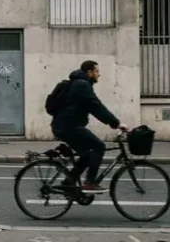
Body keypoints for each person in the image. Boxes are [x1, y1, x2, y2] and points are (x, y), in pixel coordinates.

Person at [51, 61, 127, 194]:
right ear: (89, 73)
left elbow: (93, 107)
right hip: (69, 126)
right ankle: (90, 182)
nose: (99, 74)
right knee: (99, 146)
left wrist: (112, 122)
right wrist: (116, 123)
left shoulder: (80, 83)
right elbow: (96, 106)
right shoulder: (82, 85)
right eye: (97, 71)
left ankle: (69, 183)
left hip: (66, 125)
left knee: (86, 155)